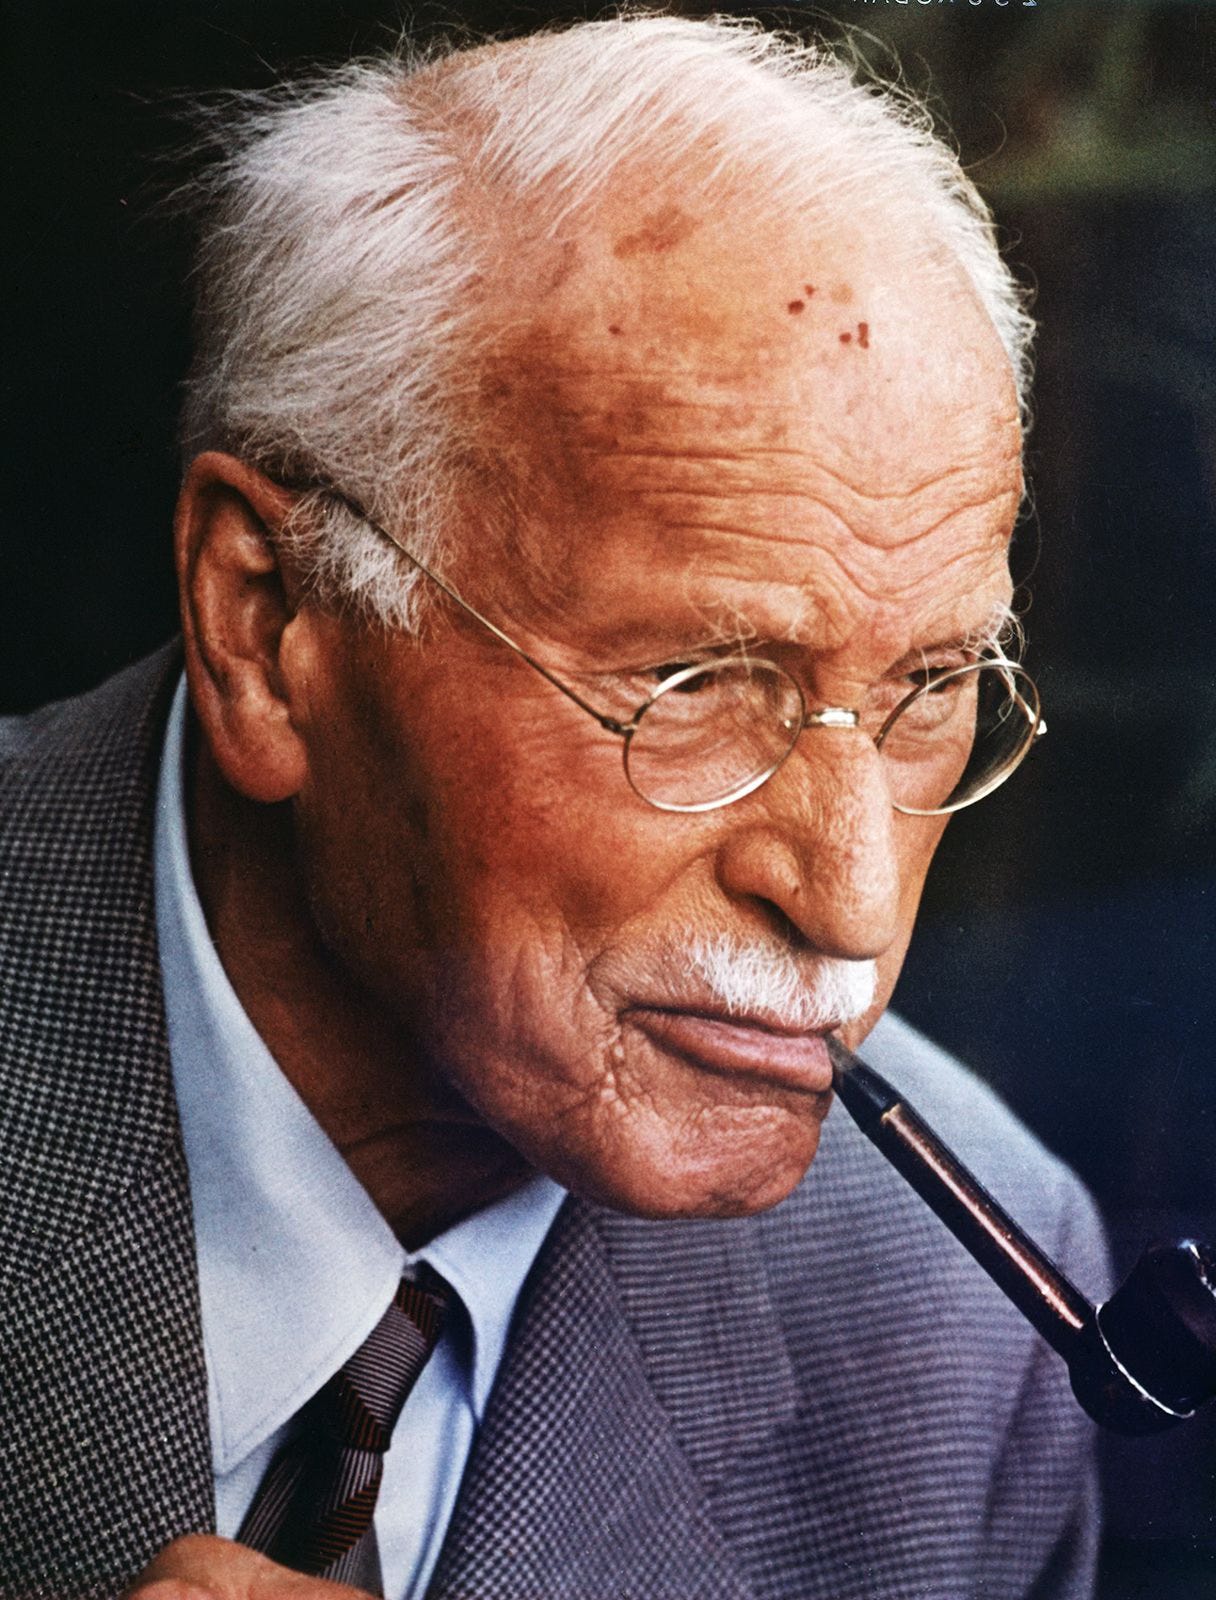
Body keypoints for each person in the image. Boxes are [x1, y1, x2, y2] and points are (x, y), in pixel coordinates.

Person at [0, 14, 1111, 1600]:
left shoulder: (952, 1341)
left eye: (933, 688)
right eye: (699, 683)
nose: (851, 904)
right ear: (269, 623)